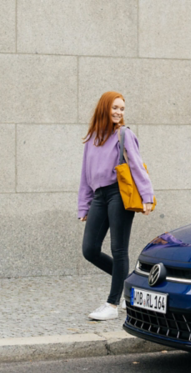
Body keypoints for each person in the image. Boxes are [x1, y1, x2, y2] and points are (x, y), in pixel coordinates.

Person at [78, 91, 154, 321]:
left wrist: (147, 195)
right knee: (89, 249)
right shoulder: (92, 138)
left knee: (118, 249)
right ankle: (131, 283)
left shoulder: (124, 134)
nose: (119, 112)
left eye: (122, 109)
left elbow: (137, 165)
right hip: (99, 197)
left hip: (119, 194)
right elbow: (85, 175)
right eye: (115, 107)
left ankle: (113, 304)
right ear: (104, 108)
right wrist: (84, 206)